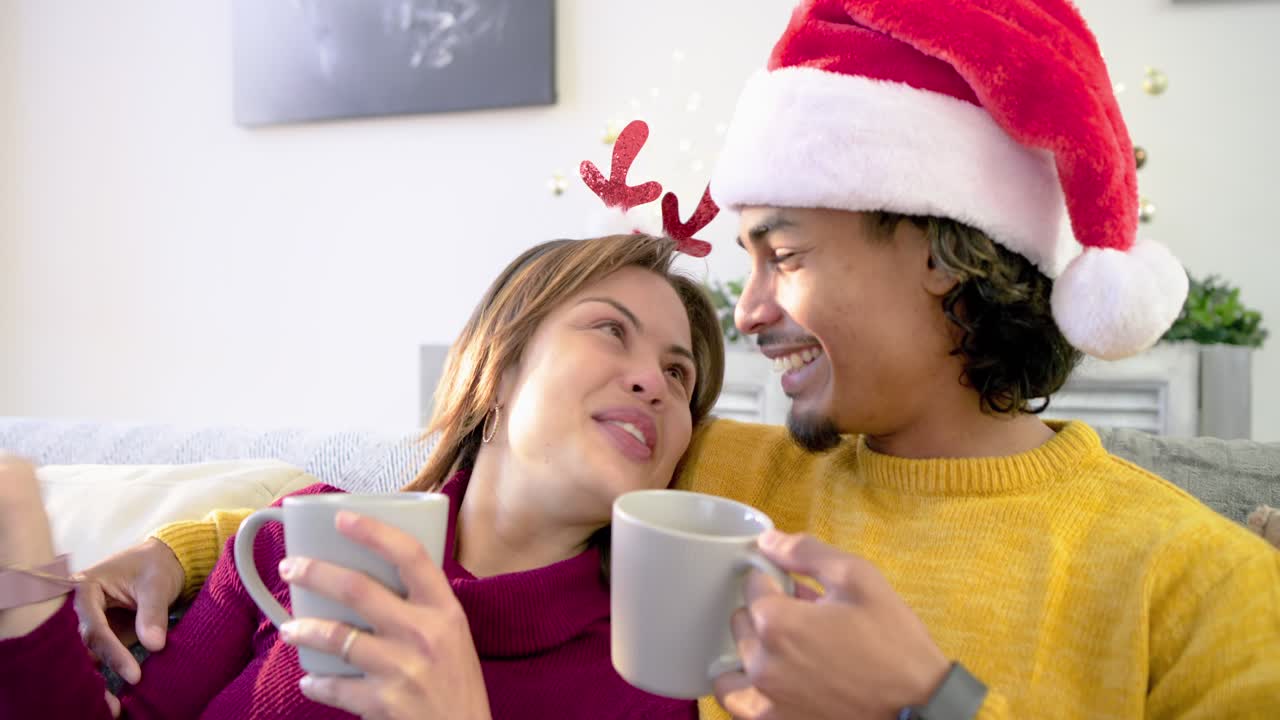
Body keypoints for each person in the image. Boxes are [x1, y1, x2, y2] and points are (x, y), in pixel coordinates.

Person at [76, 0, 1280, 718]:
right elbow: (435, 488)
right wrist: (174, 554)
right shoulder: (705, 479)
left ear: (938, 251)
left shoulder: (1200, 585)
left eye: (782, 253)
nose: (741, 317)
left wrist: (925, 705)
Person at [0, 231, 724, 719]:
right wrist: (23, 584)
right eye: (610, 330)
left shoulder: (651, 673)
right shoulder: (300, 533)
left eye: (677, 372)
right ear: (498, 371)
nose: (654, 383)